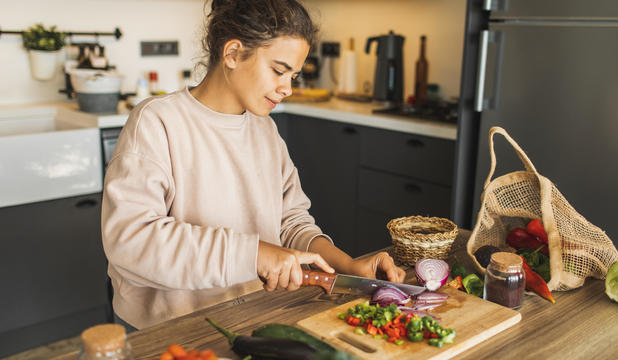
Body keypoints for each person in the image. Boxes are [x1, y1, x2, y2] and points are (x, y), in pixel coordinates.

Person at [101, 0, 406, 330]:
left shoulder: (266, 131)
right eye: (278, 70)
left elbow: (290, 222)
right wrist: (255, 254)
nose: (287, 88)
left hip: (250, 316)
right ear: (232, 54)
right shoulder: (157, 122)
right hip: (168, 329)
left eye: (293, 75)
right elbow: (131, 241)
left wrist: (347, 266)